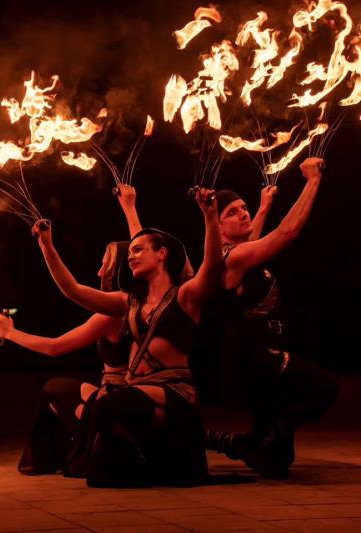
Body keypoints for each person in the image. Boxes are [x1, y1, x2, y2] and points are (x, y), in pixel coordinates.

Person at [31, 188, 221, 486]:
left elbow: (211, 266)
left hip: (173, 395)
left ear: (162, 254)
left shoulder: (185, 297)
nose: (129, 256)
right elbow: (74, 291)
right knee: (99, 477)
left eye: (137, 250)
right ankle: (143, 464)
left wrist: (210, 217)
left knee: (110, 405)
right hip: (136, 394)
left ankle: (167, 459)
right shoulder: (129, 302)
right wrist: (47, 246)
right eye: (129, 251)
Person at [203, 157, 340, 479]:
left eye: (243, 207)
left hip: (250, 360)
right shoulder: (231, 257)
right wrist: (312, 182)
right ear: (218, 228)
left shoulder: (239, 254)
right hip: (257, 358)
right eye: (231, 213)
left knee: (275, 462)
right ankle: (255, 438)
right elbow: (287, 232)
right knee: (325, 387)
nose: (243, 213)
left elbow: (254, 240)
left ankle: (227, 441)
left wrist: (263, 208)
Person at [0, 241, 130, 476]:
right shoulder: (146, 304)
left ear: (119, 271)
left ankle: (77, 453)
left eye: (104, 265)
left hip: (119, 404)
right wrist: (129, 208)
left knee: (52, 389)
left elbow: (54, 347)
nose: (98, 272)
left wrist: (9, 333)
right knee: (63, 387)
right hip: (120, 393)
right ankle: (72, 451)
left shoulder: (113, 314)